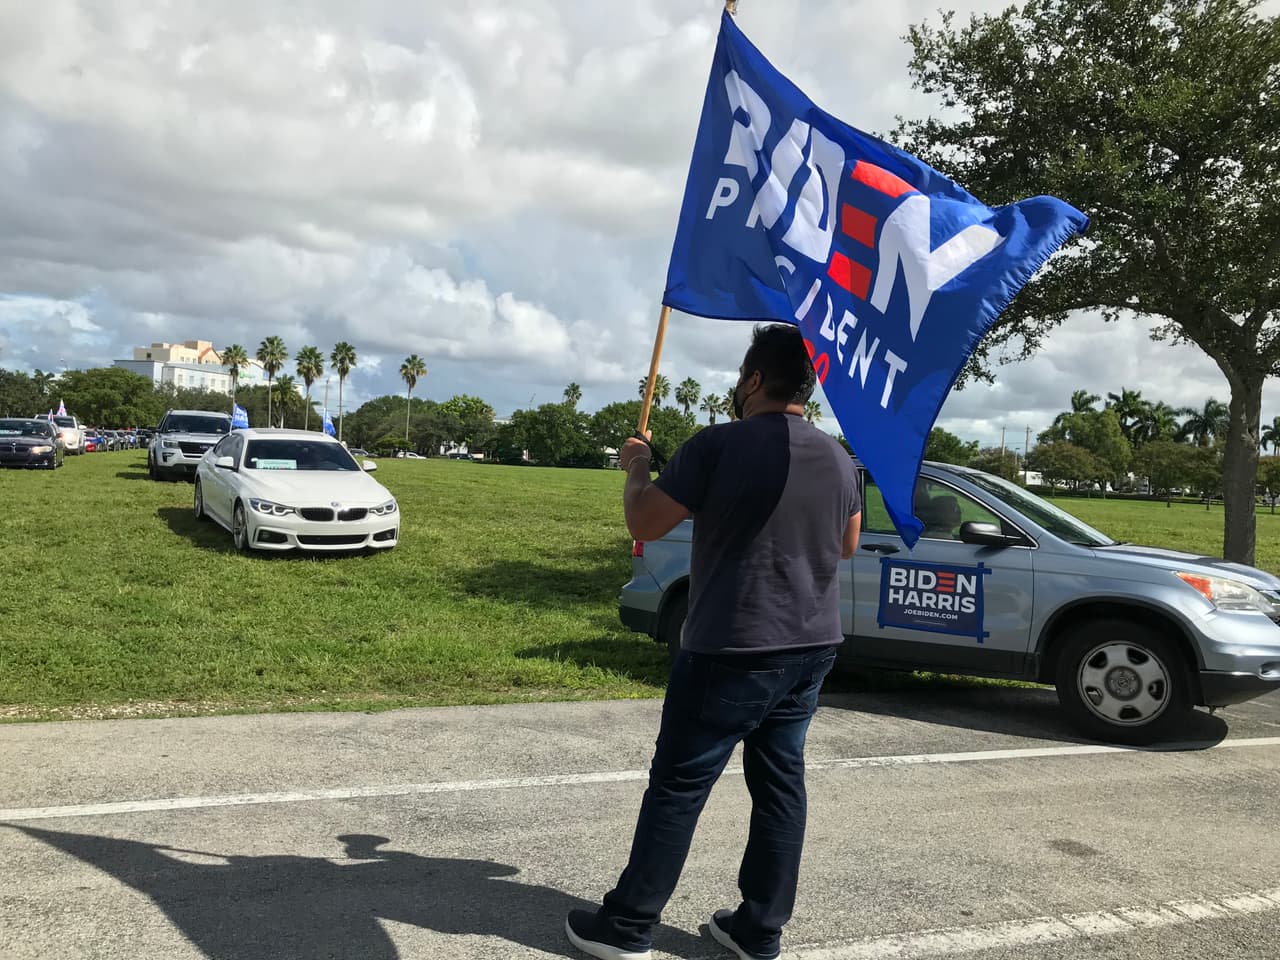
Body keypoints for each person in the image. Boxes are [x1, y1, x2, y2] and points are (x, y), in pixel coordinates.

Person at [565, 324, 862, 960]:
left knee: (677, 786)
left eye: (740, 376)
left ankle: (626, 926)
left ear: (754, 380)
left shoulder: (717, 445)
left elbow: (644, 520)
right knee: (781, 787)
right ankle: (758, 930)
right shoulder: (839, 457)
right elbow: (847, 544)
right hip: (810, 647)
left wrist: (638, 464)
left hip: (731, 644)